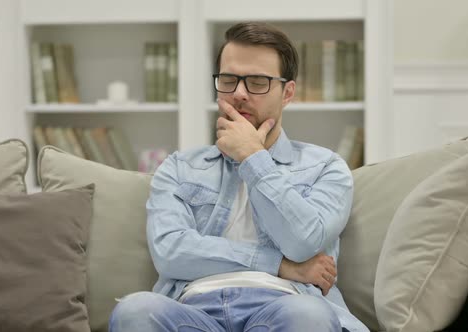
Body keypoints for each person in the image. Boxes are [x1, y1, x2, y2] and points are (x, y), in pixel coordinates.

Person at [109, 22, 369, 332]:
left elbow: (304, 244)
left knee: (309, 315)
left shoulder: (326, 167)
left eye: (257, 81)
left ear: (287, 93)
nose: (239, 94)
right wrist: (280, 265)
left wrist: (253, 158)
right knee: (135, 310)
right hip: (191, 309)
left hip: (285, 305)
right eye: (229, 80)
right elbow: (170, 252)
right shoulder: (179, 167)